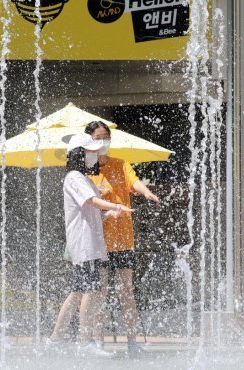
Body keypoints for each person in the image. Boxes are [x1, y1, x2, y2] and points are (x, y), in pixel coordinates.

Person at [48, 121, 160, 356]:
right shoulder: (82, 176)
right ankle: (91, 341)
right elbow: (91, 203)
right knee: (93, 291)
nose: (102, 144)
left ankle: (127, 342)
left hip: (119, 240)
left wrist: (145, 191)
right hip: (95, 242)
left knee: (121, 291)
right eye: (96, 140)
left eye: (105, 138)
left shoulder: (115, 165)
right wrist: (113, 206)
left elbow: (133, 181)